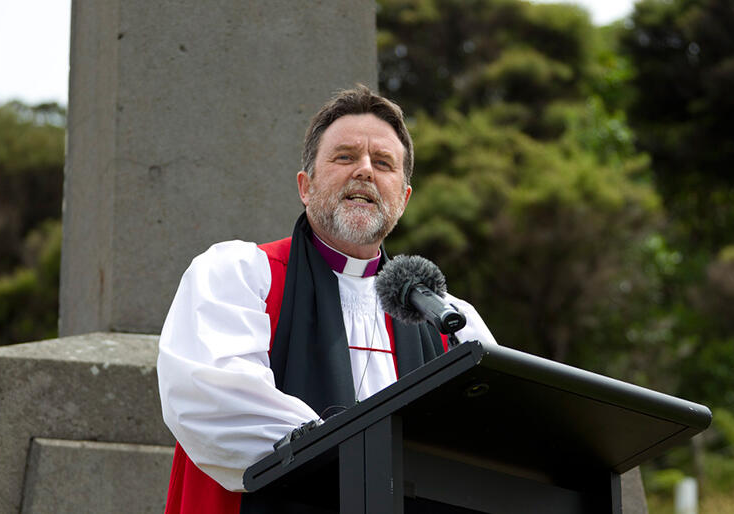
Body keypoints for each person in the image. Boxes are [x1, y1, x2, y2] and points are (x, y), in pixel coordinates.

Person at [157, 85, 497, 513]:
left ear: (404, 199)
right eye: (344, 157)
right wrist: (366, 458)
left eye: (384, 163)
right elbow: (215, 400)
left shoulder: (448, 317)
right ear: (306, 185)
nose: (365, 172)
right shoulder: (239, 277)